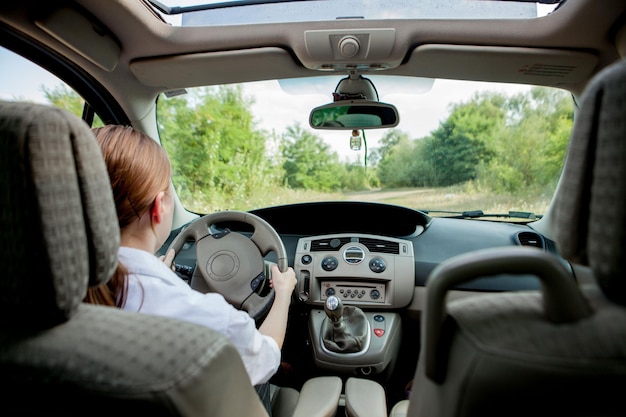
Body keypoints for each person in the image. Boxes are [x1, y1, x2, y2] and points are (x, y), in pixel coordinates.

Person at [85, 125, 297, 413]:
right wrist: (283, 293)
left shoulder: (46, 298)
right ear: (159, 207)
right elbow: (266, 354)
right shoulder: (209, 320)